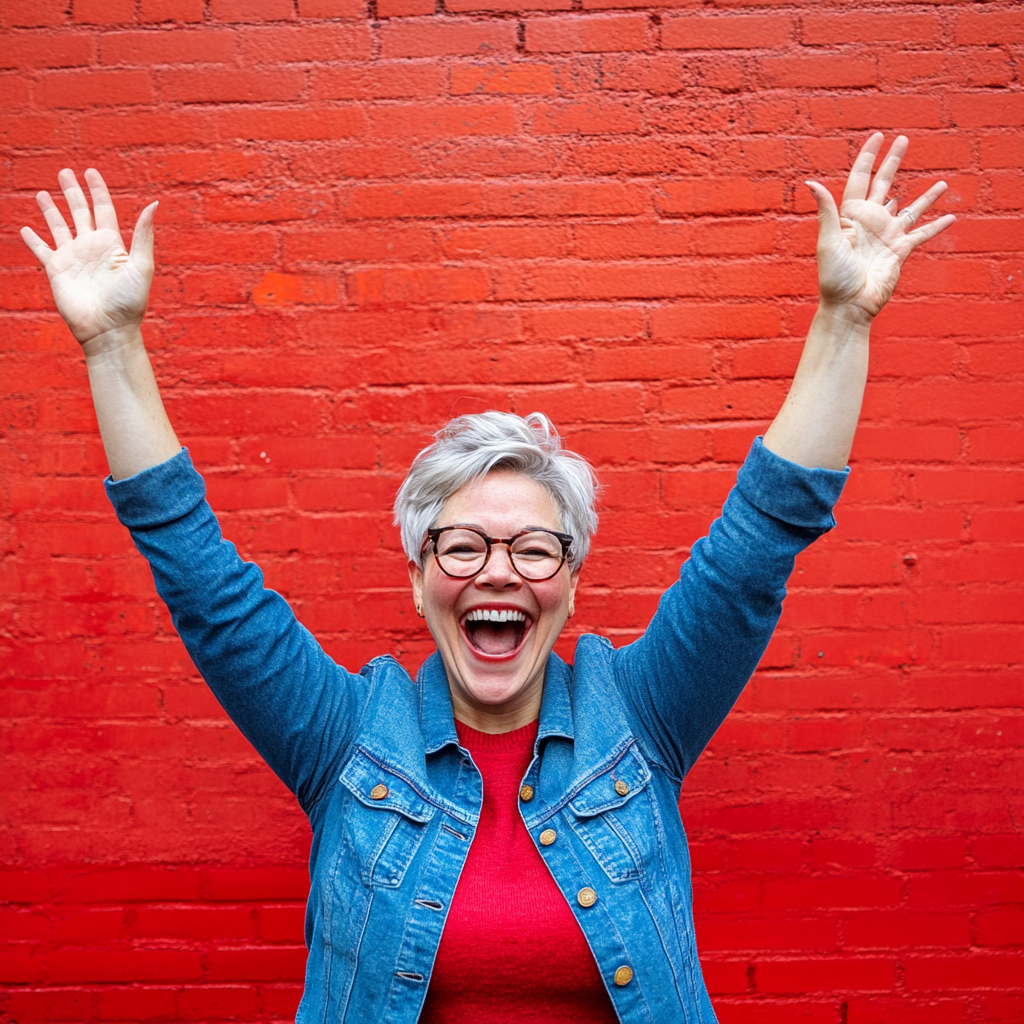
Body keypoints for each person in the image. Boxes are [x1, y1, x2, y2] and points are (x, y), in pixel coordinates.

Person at [21, 133, 953, 1023]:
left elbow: (757, 546)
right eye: (462, 546)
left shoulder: (642, 718)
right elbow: (204, 585)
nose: (497, 572)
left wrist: (843, 318)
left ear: (573, 583)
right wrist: (112, 346)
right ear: (421, 578)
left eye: (534, 549)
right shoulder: (347, 743)